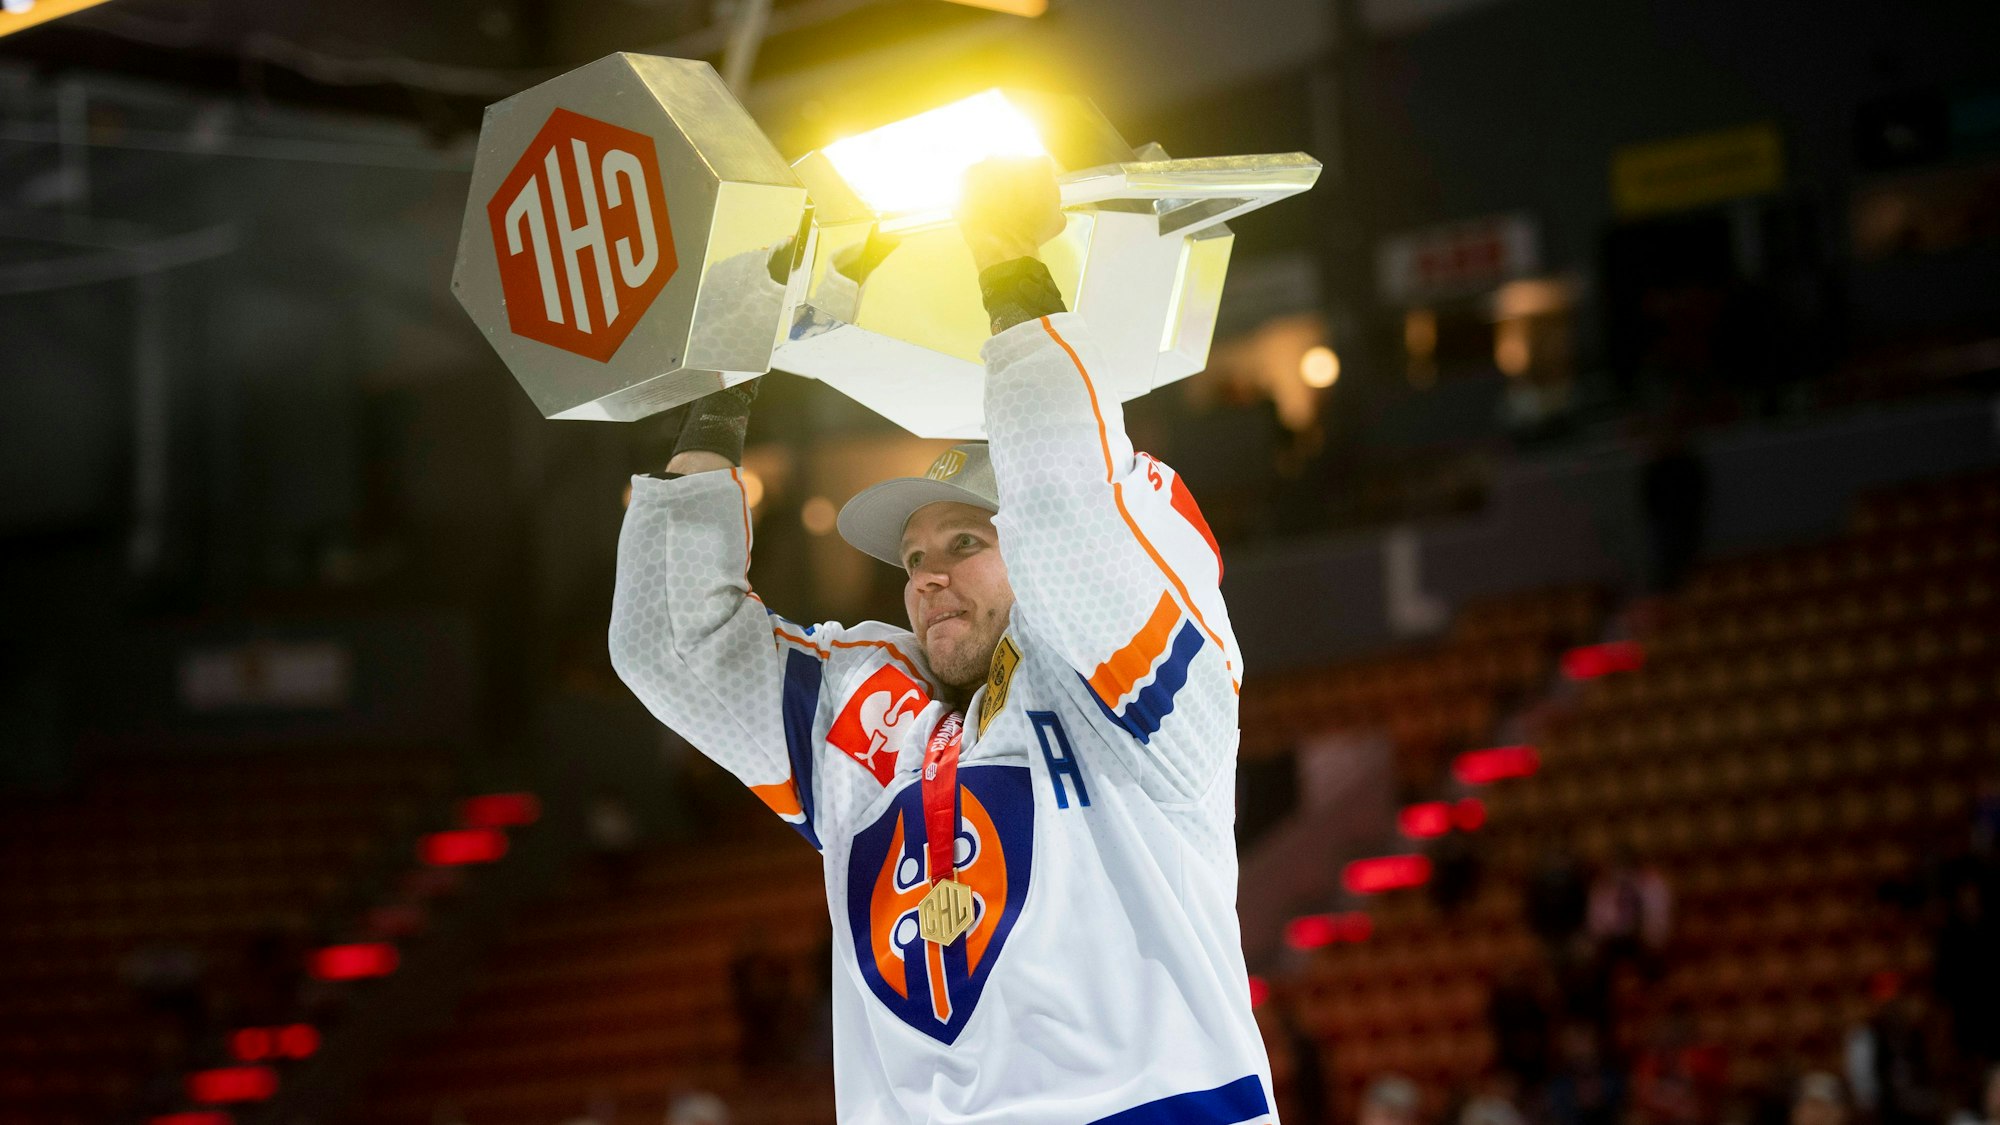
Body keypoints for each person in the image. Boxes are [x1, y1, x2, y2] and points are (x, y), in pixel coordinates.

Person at [609, 159, 1268, 1120]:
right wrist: (725, 384)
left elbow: (1073, 522)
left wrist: (1014, 276)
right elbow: (671, 643)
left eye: (966, 542)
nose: (926, 575)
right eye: (914, 555)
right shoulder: (868, 739)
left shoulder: (1140, 704)